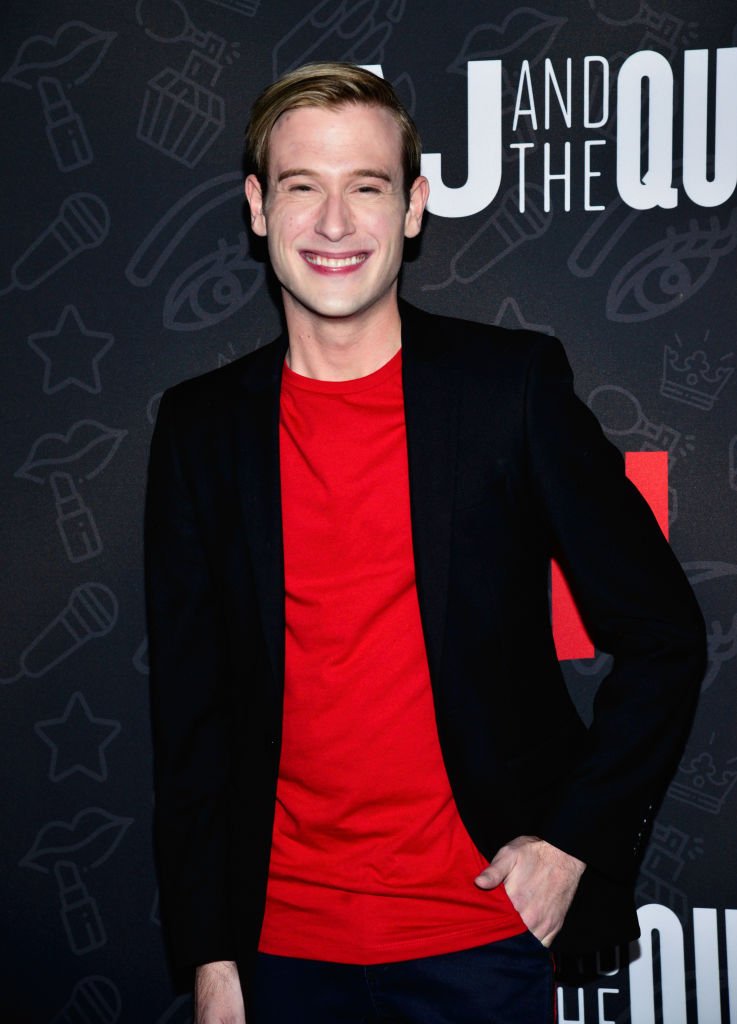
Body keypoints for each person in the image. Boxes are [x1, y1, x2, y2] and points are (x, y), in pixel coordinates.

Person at [145, 62, 706, 1023]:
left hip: (482, 943)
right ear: (256, 208)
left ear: (412, 208)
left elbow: (664, 636)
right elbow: (191, 720)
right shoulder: (201, 428)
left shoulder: (509, 390)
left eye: (365, 187)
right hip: (276, 956)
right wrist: (209, 959)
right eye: (300, 186)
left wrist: (570, 847)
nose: (332, 223)